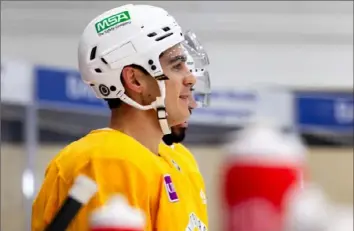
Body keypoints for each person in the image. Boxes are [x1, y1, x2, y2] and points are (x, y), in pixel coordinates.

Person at [32, 4, 211, 231]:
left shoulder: (181, 161)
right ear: (135, 80)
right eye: (177, 66)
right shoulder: (105, 162)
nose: (191, 78)